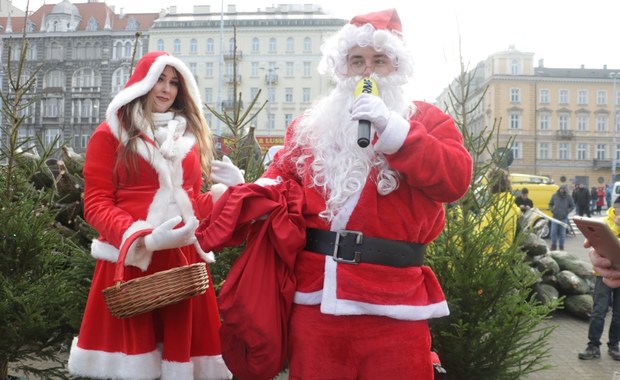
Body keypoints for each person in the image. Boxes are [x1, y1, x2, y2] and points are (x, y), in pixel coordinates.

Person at [252, 9, 472, 378]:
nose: (367, 71)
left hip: (394, 304)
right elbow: (280, 182)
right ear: (342, 69)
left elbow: (455, 179)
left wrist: (395, 133)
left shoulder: (427, 120)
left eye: (379, 60)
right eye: (357, 61)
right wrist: (249, 191)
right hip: (316, 301)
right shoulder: (310, 127)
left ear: (397, 67)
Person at [67, 51, 240, 379]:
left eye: (174, 82)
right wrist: (143, 236)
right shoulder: (110, 134)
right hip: (134, 261)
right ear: (142, 82)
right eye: (160, 79)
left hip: (184, 263)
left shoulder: (187, 137)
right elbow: (96, 204)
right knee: (137, 367)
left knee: (182, 364)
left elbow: (190, 206)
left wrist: (230, 194)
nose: (167, 89)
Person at [578, 195, 620, 361]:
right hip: (603, 273)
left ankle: (614, 345)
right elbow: (593, 242)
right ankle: (593, 346)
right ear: (614, 208)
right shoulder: (603, 223)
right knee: (599, 311)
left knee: (619, 314)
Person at [548, 184, 575, 250]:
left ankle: (561, 246)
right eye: (561, 189)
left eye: (564, 189)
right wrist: (552, 210)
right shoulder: (555, 196)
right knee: (553, 233)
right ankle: (553, 245)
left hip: (564, 218)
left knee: (562, 234)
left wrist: (567, 211)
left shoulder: (568, 197)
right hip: (555, 217)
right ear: (560, 189)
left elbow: (572, 206)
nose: (562, 190)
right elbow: (550, 204)